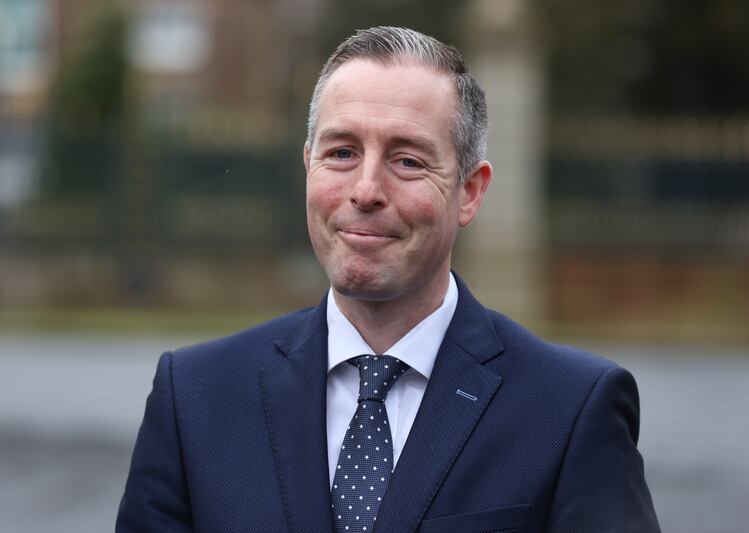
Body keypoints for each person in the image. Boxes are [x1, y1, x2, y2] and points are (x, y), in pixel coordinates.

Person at [117, 26, 660, 533]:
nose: (366, 190)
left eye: (407, 161)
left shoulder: (569, 408)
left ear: (470, 192)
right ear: (308, 166)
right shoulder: (195, 398)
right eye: (342, 153)